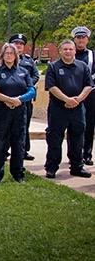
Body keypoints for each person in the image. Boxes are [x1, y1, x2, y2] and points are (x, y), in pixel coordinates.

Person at [44, 39, 93, 179]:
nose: (68, 51)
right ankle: (51, 167)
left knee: (78, 138)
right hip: (58, 109)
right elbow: (51, 87)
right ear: (60, 51)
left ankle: (77, 167)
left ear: (74, 50)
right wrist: (67, 100)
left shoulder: (82, 66)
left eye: (70, 49)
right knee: (55, 139)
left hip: (77, 109)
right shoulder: (53, 67)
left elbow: (88, 85)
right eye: (65, 49)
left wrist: (77, 100)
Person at [0, 43, 35, 183]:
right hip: (1, 112)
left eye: (12, 53)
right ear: (2, 56)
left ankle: (18, 174)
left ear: (16, 56)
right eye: (6, 53)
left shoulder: (23, 72)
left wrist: (19, 100)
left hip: (20, 111)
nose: (9, 55)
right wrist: (8, 100)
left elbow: (32, 91)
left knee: (18, 143)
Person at [8, 34, 40, 160]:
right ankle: (5, 150)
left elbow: (36, 75)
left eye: (21, 44)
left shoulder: (29, 60)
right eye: (16, 43)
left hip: (25, 98)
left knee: (24, 125)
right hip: (9, 99)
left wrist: (27, 86)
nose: (18, 46)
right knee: (8, 125)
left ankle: (24, 150)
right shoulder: (6, 59)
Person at [72, 26, 95, 165]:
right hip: (73, 94)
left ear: (87, 39)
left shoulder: (92, 54)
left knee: (89, 124)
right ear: (74, 39)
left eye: (83, 37)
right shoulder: (70, 53)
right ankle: (74, 154)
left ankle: (87, 154)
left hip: (90, 94)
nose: (81, 40)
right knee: (73, 125)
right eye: (78, 38)